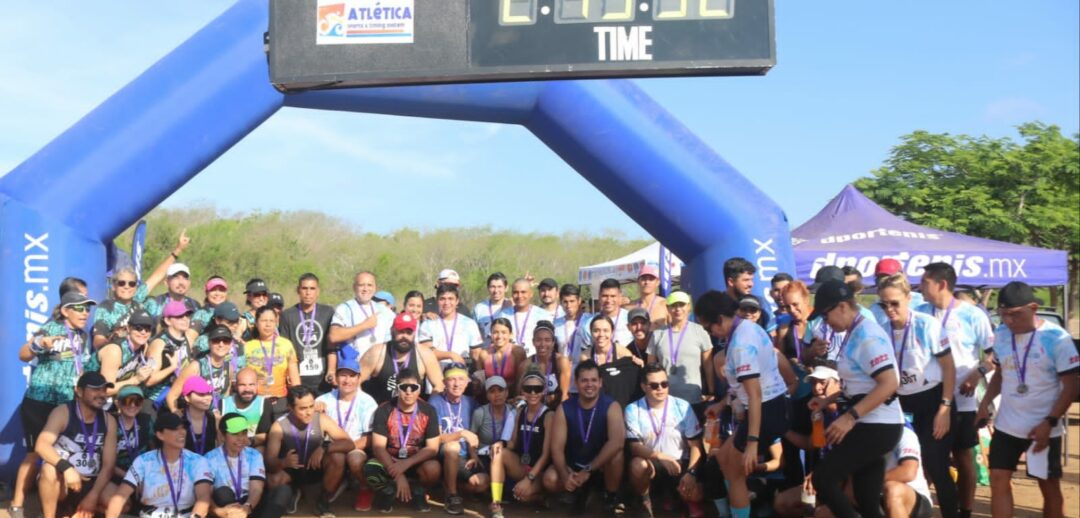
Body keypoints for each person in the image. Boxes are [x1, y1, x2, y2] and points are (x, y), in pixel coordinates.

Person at [977, 281, 1078, 518]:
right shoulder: (1001, 334)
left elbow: (1072, 385)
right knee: (998, 479)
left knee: (1047, 485)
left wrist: (1050, 421)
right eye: (1004, 315)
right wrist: (984, 404)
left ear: (1032, 308)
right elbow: (1000, 373)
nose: (1010, 321)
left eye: (1015, 315)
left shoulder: (1056, 338)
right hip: (1007, 425)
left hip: (1043, 427)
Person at [805, 280, 904, 518]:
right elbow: (861, 384)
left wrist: (850, 417)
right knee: (866, 499)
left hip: (878, 425)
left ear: (842, 306)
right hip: (873, 423)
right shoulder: (855, 332)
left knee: (824, 477)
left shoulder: (867, 335)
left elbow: (890, 383)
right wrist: (829, 401)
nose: (824, 322)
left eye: (825, 315)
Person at [695, 291, 789, 518]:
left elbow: (754, 395)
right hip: (766, 407)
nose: (711, 334)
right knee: (725, 461)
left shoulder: (740, 344)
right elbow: (744, 390)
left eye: (709, 328)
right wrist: (722, 404)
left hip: (767, 409)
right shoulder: (746, 327)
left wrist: (752, 443)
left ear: (719, 319)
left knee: (735, 472)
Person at [916, 262, 995, 518]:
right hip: (929, 399)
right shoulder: (920, 313)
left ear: (941, 284)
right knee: (928, 457)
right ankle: (921, 508)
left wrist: (976, 374)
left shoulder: (973, 315)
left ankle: (966, 510)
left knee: (963, 455)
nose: (920, 287)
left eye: (925, 282)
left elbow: (994, 355)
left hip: (963, 399)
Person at [11, 291, 98, 518]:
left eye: (87, 308)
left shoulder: (85, 336)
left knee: (61, 456)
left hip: (66, 405)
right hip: (40, 402)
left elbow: (84, 366)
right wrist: (40, 345)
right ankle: (17, 505)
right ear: (65, 310)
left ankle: (59, 506)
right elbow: (22, 354)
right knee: (33, 454)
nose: (85, 313)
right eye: (79, 308)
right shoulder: (50, 328)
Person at [877, 273, 957, 518]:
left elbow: (948, 367)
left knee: (936, 464)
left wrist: (944, 408)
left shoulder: (927, 324)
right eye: (884, 304)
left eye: (894, 303)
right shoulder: (881, 330)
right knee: (900, 462)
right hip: (898, 402)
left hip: (931, 401)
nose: (889, 309)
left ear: (908, 298)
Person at [625, 364, 704, 518]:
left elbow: (695, 445)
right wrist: (661, 457)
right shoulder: (633, 409)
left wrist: (691, 473)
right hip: (652, 463)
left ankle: (680, 498)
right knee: (637, 466)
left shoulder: (682, 406)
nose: (660, 389)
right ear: (643, 387)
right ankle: (644, 502)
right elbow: (634, 447)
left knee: (697, 495)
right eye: (654, 385)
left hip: (680, 464)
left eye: (664, 384)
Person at [35, 372, 117, 518]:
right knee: (48, 470)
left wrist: (93, 496)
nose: (102, 394)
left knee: (117, 501)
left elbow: (108, 466)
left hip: (90, 480)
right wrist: (67, 468)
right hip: (63, 479)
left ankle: (76, 512)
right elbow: (41, 445)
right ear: (79, 391)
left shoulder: (109, 420)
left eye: (104, 390)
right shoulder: (63, 412)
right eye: (95, 389)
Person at [549, 360, 626, 514]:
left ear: (600, 382)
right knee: (549, 479)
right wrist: (565, 475)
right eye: (584, 380)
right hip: (573, 466)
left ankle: (610, 497)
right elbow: (556, 448)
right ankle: (574, 491)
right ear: (576, 383)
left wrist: (589, 469)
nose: (589, 385)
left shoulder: (611, 406)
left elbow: (617, 442)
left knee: (617, 455)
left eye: (593, 380)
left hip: (600, 466)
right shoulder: (564, 408)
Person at [265, 386, 354, 518]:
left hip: (315, 467)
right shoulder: (278, 427)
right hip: (292, 471)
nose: (309, 412)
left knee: (338, 457)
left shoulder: (321, 419)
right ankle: (291, 492)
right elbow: (269, 462)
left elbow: (349, 443)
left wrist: (324, 447)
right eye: (302, 408)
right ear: (290, 407)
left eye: (311, 406)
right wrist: (283, 462)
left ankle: (323, 500)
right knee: (273, 479)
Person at [106, 411, 214, 518]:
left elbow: (203, 497)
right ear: (160, 435)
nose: (182, 432)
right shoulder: (143, 461)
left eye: (183, 428)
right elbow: (120, 496)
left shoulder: (198, 461)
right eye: (175, 429)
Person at [93, 230, 190, 349]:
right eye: (122, 283)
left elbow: (157, 276)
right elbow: (98, 341)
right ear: (114, 286)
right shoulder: (106, 308)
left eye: (132, 283)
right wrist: (113, 341)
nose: (127, 286)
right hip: (113, 356)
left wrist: (178, 250)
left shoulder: (137, 300)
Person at [364, 369, 443, 514]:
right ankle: (388, 491)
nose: (408, 392)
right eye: (403, 387)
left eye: (413, 388)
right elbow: (378, 447)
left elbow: (432, 448)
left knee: (433, 468)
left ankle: (418, 490)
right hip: (390, 461)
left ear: (419, 389)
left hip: (415, 462)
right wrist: (399, 474)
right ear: (397, 389)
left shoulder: (429, 410)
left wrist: (406, 463)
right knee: (371, 468)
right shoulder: (384, 409)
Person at [313, 350, 379, 511]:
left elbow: (369, 439)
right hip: (329, 451)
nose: (347, 380)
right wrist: (315, 414)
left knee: (354, 459)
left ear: (358, 378)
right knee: (337, 457)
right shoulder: (322, 400)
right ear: (336, 378)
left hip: (354, 447)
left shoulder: (368, 402)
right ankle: (325, 495)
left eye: (352, 376)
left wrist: (341, 447)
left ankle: (365, 488)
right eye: (343, 375)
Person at [204, 413, 284, 518]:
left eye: (244, 433)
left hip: (249, 503)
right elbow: (205, 493)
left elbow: (256, 488)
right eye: (235, 434)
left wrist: (247, 507)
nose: (241, 438)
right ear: (222, 436)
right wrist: (217, 511)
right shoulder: (209, 459)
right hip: (225, 508)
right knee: (223, 493)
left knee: (283, 491)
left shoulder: (254, 455)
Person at [428, 362, 482, 514]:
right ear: (444, 382)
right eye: (452, 379)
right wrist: (460, 434)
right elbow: (436, 439)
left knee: (482, 483)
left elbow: (474, 434)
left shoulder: (471, 403)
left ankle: (448, 484)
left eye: (461, 379)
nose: (457, 384)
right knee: (453, 446)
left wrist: (473, 454)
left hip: (463, 458)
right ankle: (452, 494)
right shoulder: (436, 401)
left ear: (467, 382)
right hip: (442, 454)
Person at [497, 368, 554, 509]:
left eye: (537, 388)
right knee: (499, 453)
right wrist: (500, 444)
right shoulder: (520, 412)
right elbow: (512, 443)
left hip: (539, 471)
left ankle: (542, 496)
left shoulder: (549, 416)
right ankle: (496, 499)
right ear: (522, 391)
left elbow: (547, 455)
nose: (533, 393)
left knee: (523, 496)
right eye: (529, 389)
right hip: (522, 465)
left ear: (544, 391)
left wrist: (529, 479)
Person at [359, 312, 444, 403]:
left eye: (408, 332)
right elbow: (355, 382)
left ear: (414, 333)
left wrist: (428, 407)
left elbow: (439, 386)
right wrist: (365, 405)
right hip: (381, 412)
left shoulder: (425, 354)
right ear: (392, 331)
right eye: (400, 331)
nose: (404, 337)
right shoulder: (376, 352)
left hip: (412, 414)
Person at [647, 291, 714, 403]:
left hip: (694, 398)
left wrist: (711, 392)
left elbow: (708, 364)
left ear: (688, 307)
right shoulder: (657, 334)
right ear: (667, 308)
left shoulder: (700, 331)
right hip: (665, 399)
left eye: (681, 305)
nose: (678, 309)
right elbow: (651, 368)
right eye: (673, 306)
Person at [99, 386, 153, 513]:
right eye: (127, 401)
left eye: (137, 401)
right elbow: (105, 461)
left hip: (142, 474)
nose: (132, 405)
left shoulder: (146, 421)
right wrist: (132, 478)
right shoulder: (109, 422)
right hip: (115, 474)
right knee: (123, 506)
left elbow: (153, 448)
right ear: (118, 403)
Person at [278, 273, 335, 394]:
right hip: (298, 377)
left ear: (318, 291)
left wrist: (331, 370)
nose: (308, 292)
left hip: (323, 378)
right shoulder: (287, 315)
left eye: (312, 288)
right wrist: (288, 372)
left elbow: (332, 345)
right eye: (304, 288)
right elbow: (285, 348)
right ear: (298, 290)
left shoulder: (328, 312)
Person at [471, 376, 516, 518]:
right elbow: (472, 437)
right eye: (492, 391)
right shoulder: (480, 413)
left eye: (500, 390)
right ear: (487, 395)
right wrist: (473, 456)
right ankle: (494, 501)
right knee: (478, 482)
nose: (497, 395)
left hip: (505, 457)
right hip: (485, 457)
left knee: (514, 491)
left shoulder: (514, 411)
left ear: (507, 393)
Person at [244, 307, 299, 419]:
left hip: (281, 401)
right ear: (256, 322)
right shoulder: (247, 347)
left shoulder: (286, 344)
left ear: (276, 322)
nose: (268, 325)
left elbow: (294, 377)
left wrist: (298, 398)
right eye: (264, 321)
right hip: (256, 401)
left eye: (271, 321)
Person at [145, 300, 200, 410]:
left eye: (187, 315)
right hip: (155, 402)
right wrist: (172, 368)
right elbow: (149, 380)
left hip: (176, 399)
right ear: (168, 320)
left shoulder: (187, 338)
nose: (185, 319)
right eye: (179, 316)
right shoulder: (159, 344)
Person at [167, 325, 235, 413]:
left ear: (231, 344)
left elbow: (225, 396)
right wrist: (177, 415)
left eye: (226, 341)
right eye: (216, 340)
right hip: (195, 417)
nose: (221, 344)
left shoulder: (229, 368)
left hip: (216, 418)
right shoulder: (196, 366)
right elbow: (172, 396)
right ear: (209, 343)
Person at [579, 315, 642, 407]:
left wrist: (641, 366)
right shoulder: (585, 356)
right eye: (596, 330)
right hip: (597, 405)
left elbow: (630, 384)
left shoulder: (623, 354)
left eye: (605, 330)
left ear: (612, 333)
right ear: (591, 333)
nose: (601, 335)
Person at [329, 271, 395, 359]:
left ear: (375, 288)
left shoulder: (385, 311)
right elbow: (334, 336)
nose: (365, 289)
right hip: (355, 367)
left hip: (379, 366)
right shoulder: (344, 308)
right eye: (361, 285)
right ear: (354, 287)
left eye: (369, 285)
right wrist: (364, 325)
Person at [418, 283, 483, 370]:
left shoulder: (469, 323)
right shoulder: (428, 324)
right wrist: (451, 355)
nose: (446, 303)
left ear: (457, 301)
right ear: (437, 300)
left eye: (450, 299)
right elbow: (427, 351)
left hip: (462, 374)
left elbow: (476, 353)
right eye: (442, 299)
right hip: (436, 373)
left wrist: (479, 373)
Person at [97, 308, 156, 398]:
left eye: (147, 329)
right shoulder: (114, 351)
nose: (143, 332)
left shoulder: (143, 347)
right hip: (91, 398)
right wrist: (136, 379)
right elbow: (105, 390)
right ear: (128, 328)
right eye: (138, 328)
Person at [881, 423, 934, 518]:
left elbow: (908, 472)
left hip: (912, 498)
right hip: (874, 496)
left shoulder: (904, 433)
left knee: (893, 490)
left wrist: (872, 481)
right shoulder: (856, 431)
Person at [519, 321, 572, 405]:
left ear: (553, 342)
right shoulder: (525, 365)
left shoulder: (561, 362)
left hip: (557, 408)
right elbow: (520, 394)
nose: (542, 344)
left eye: (547, 340)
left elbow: (564, 396)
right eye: (538, 340)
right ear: (533, 341)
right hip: (534, 408)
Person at [497, 278, 553, 357]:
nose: (520, 296)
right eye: (516, 292)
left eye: (523, 292)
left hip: (535, 361)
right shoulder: (503, 315)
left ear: (531, 294)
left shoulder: (543, 315)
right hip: (509, 360)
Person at [222, 368, 275, 450]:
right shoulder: (223, 405)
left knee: (261, 450)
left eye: (251, 385)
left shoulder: (264, 404)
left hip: (252, 448)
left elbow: (266, 435)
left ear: (257, 385)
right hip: (228, 449)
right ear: (235, 386)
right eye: (242, 385)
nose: (247, 389)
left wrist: (248, 441)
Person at [474, 318, 528, 395]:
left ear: (510, 334)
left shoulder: (517, 351)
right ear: (491, 334)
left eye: (504, 332)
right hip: (491, 398)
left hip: (512, 397)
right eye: (495, 332)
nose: (499, 336)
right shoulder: (484, 354)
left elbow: (521, 380)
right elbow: (481, 383)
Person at [869, 258, 925, 327]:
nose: (885, 283)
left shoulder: (921, 301)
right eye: (881, 280)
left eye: (891, 279)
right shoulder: (875, 308)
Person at [723, 257, 772, 333]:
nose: (751, 284)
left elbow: (772, 336)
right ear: (731, 282)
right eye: (746, 280)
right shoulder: (715, 307)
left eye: (751, 279)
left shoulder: (761, 303)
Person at [581, 279, 633, 348]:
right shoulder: (588, 324)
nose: (608, 300)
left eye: (613, 296)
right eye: (605, 296)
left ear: (620, 296)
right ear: (599, 297)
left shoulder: (631, 319)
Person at [178, 377, 219, 456]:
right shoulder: (178, 419)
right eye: (201, 394)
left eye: (209, 393)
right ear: (187, 398)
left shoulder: (214, 418)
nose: (208, 398)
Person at [554, 284, 591, 371]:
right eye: (565, 302)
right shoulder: (556, 324)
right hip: (563, 370)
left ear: (579, 301)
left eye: (572, 301)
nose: (568, 305)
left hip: (585, 369)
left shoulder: (589, 321)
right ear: (561, 302)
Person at [474, 272, 512, 346]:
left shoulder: (512, 307)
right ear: (488, 288)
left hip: (507, 352)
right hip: (486, 352)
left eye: (499, 287)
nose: (496, 290)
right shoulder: (479, 308)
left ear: (506, 288)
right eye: (493, 287)